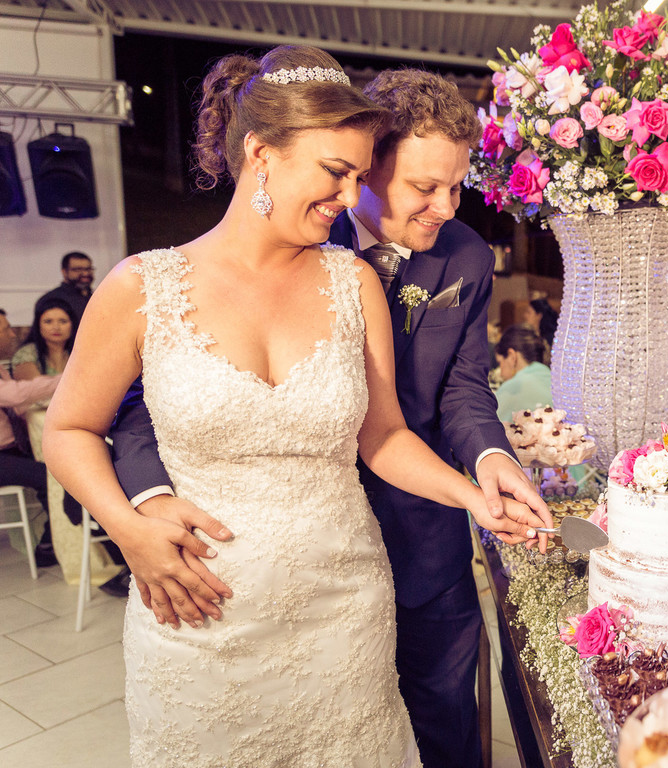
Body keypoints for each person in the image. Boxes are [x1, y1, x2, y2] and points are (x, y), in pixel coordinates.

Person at [43, 45, 547, 767]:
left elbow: (388, 432)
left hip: (348, 597)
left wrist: (477, 492)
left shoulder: (356, 279)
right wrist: (130, 523)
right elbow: (78, 423)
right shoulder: (139, 285)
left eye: (353, 175)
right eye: (337, 173)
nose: (347, 196)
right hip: (205, 598)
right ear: (262, 154)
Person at [0, 308, 60, 567]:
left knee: (58, 466)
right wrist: (65, 379)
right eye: (5, 329)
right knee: (52, 477)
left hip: (11, 449)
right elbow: (15, 395)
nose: (12, 334)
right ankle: (48, 546)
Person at [494, 325, 552, 423]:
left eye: (500, 362)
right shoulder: (554, 380)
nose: (501, 374)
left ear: (512, 356)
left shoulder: (512, 388)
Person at [10, 299, 76, 380]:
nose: (56, 327)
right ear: (38, 326)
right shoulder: (27, 353)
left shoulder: (80, 352)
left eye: (63, 321)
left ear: (73, 325)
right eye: (48, 322)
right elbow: (34, 387)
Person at [36, 251, 94, 325]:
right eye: (78, 269)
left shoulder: (97, 298)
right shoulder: (52, 299)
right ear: (64, 272)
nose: (85, 273)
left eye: (88, 269)